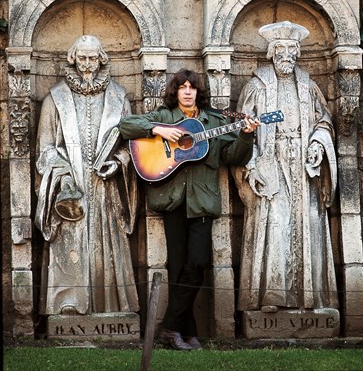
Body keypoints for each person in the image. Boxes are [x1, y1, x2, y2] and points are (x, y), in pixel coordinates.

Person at [119, 68, 258, 350]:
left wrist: (246, 136)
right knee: (179, 267)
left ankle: (170, 328)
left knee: (198, 264)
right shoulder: (164, 116)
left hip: (202, 203)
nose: (187, 91)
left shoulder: (215, 121)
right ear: (175, 91)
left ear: (198, 92)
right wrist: (157, 129)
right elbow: (125, 126)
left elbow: (234, 157)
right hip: (173, 201)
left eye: (191, 87)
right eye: (182, 87)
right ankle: (187, 331)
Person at [232, 21, 338, 313]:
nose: (288, 57)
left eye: (293, 52)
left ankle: (310, 300)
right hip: (271, 163)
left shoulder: (308, 84)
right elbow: (242, 129)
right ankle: (271, 298)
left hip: (304, 166)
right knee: (275, 225)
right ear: (272, 53)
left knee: (309, 225)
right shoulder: (257, 85)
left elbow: (324, 120)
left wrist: (317, 144)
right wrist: (252, 166)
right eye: (282, 51)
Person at [35, 35, 139, 316]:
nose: (87, 65)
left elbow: (132, 146)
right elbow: (44, 149)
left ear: (102, 59)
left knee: (108, 244)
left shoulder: (119, 97)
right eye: (81, 58)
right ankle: (68, 303)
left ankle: (111, 307)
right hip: (70, 190)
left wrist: (118, 163)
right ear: (73, 59)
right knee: (70, 240)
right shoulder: (54, 99)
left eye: (93, 58)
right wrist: (64, 177)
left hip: (106, 189)